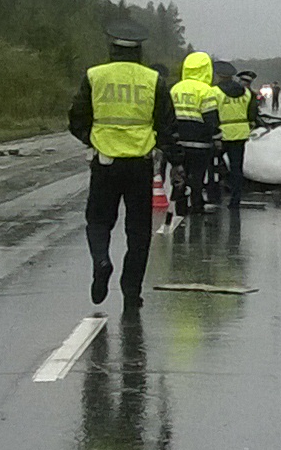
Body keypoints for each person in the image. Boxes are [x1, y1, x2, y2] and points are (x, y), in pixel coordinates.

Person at [67, 21, 175, 310]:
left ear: (112, 49)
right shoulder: (154, 79)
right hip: (140, 165)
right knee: (139, 231)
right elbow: (167, 123)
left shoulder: (94, 75)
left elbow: (76, 117)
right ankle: (131, 291)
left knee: (98, 221)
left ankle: (101, 261)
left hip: (105, 163)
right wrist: (164, 152)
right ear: (139, 51)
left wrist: (91, 139)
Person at [167, 50, 225, 215]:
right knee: (197, 177)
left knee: (180, 176)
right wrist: (217, 139)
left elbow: (167, 116)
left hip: (178, 141)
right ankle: (197, 206)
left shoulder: (175, 89)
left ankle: (180, 207)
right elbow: (211, 120)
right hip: (200, 143)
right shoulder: (206, 91)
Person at [216, 64, 257, 209]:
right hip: (240, 133)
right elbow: (252, 113)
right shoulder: (246, 93)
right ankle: (235, 200)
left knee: (215, 164)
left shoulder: (215, 91)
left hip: (221, 133)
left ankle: (215, 193)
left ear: (219, 75)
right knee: (237, 168)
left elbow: (212, 113)